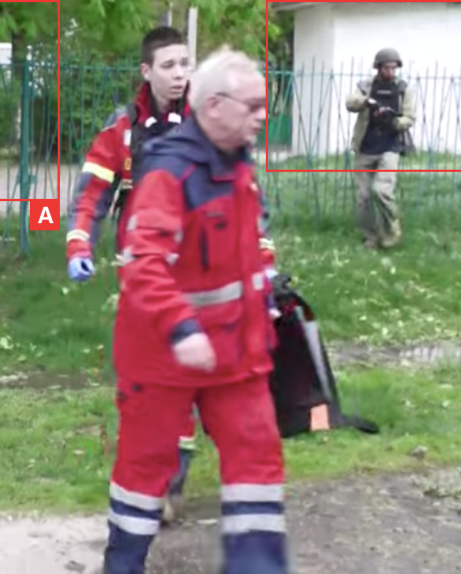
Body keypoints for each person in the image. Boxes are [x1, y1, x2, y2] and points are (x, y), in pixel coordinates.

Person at [100, 46, 288, 574]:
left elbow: (244, 251)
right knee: (145, 472)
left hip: (236, 355)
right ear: (214, 106)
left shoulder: (238, 164)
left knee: (257, 462)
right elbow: (144, 263)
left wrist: (268, 298)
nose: (262, 116)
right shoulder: (170, 173)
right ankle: (122, 565)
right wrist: (183, 328)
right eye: (252, 106)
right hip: (163, 357)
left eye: (264, 105)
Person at [63, 26, 198, 523]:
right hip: (140, 276)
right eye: (169, 65)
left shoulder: (207, 122)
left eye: (185, 63)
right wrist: (79, 242)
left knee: (183, 382)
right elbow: (91, 194)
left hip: (195, 274)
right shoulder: (122, 129)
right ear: (147, 71)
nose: (180, 74)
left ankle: (170, 486)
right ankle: (150, 479)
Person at [344, 47, 417, 250]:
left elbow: (410, 117)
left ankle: (392, 227)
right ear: (378, 67)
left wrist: (394, 122)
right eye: (386, 67)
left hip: (389, 146)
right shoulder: (366, 86)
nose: (390, 72)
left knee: (382, 190)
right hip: (366, 146)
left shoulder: (403, 89)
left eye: (394, 68)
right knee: (363, 198)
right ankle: (371, 237)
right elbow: (350, 103)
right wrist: (367, 102)